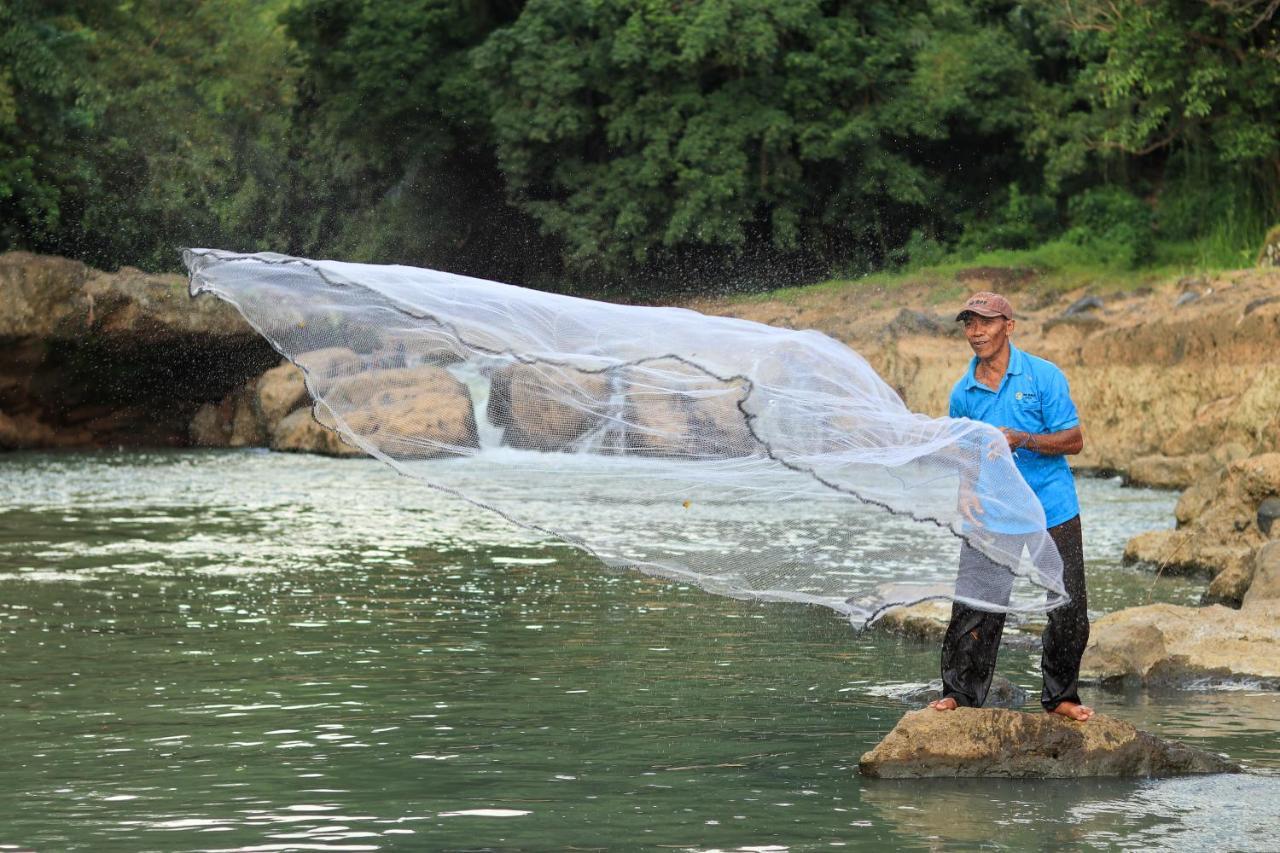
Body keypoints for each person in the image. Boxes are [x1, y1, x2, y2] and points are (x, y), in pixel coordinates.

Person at [928, 291, 1093, 722]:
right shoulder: (962, 392)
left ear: (1009, 326)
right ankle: (960, 695)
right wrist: (965, 491)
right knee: (976, 603)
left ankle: (1061, 697)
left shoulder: (1043, 376)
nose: (976, 331)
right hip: (993, 509)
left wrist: (1023, 439)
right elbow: (966, 450)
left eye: (986, 322)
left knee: (1068, 604)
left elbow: (1073, 440)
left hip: (1051, 508)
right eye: (969, 323)